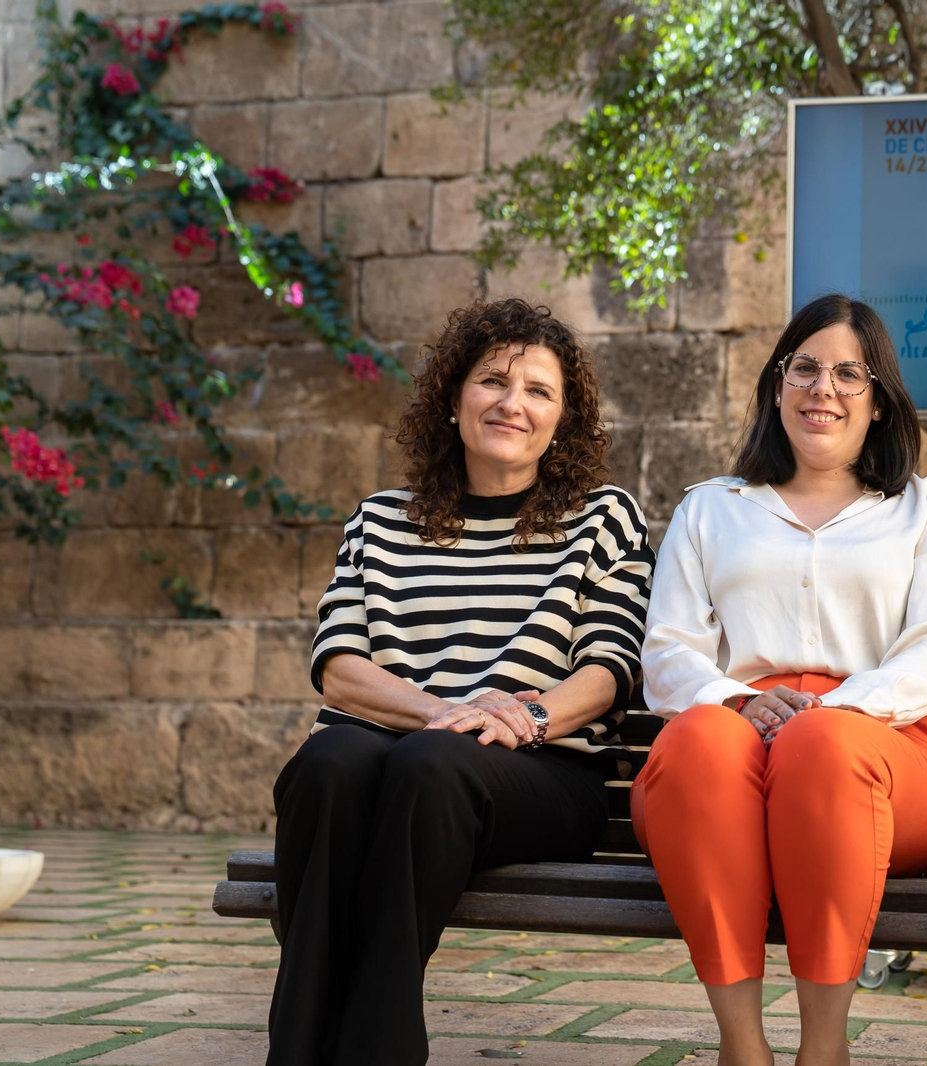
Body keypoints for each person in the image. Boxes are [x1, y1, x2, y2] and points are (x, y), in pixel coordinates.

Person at [267, 299, 654, 1066]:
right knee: (329, 762)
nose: (513, 404)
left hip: (541, 769)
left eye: (539, 391)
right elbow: (340, 671)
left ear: (563, 419)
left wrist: (525, 718)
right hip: (400, 755)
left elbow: (608, 672)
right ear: (452, 398)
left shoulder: (602, 519)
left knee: (427, 764)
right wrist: (446, 710)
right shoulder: (379, 521)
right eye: (493, 382)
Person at [634, 293, 927, 1066]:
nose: (823, 388)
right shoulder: (710, 510)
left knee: (824, 744)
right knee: (696, 742)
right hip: (736, 752)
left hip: (890, 759)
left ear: (881, 403)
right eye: (805, 368)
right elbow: (667, 653)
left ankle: (823, 1050)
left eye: (849, 374)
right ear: (777, 385)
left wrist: (830, 711)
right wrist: (745, 701)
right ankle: (743, 1047)